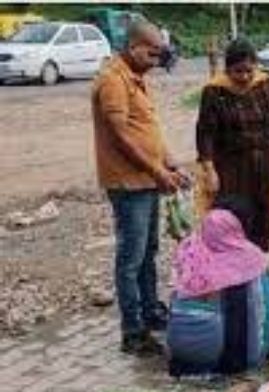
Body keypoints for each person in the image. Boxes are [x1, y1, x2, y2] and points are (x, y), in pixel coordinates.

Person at [92, 20, 187, 355]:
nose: (156, 61)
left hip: (147, 180)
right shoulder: (113, 81)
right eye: (152, 53)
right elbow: (122, 137)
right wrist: (156, 171)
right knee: (131, 259)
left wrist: (169, 162)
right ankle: (132, 331)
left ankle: (150, 311)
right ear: (133, 47)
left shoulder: (136, 79)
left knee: (149, 253)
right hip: (129, 184)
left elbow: (148, 131)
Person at [196, 38, 269, 252]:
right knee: (232, 227)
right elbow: (205, 135)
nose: (244, 77)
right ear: (227, 70)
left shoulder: (268, 86)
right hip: (230, 174)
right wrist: (209, 170)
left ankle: (257, 274)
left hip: (263, 171)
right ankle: (234, 280)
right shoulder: (214, 92)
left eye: (249, 71)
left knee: (261, 226)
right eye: (237, 71)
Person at [169, 203, 268, 376]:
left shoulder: (189, 251)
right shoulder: (247, 257)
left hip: (178, 350)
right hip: (217, 354)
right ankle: (235, 362)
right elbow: (257, 310)